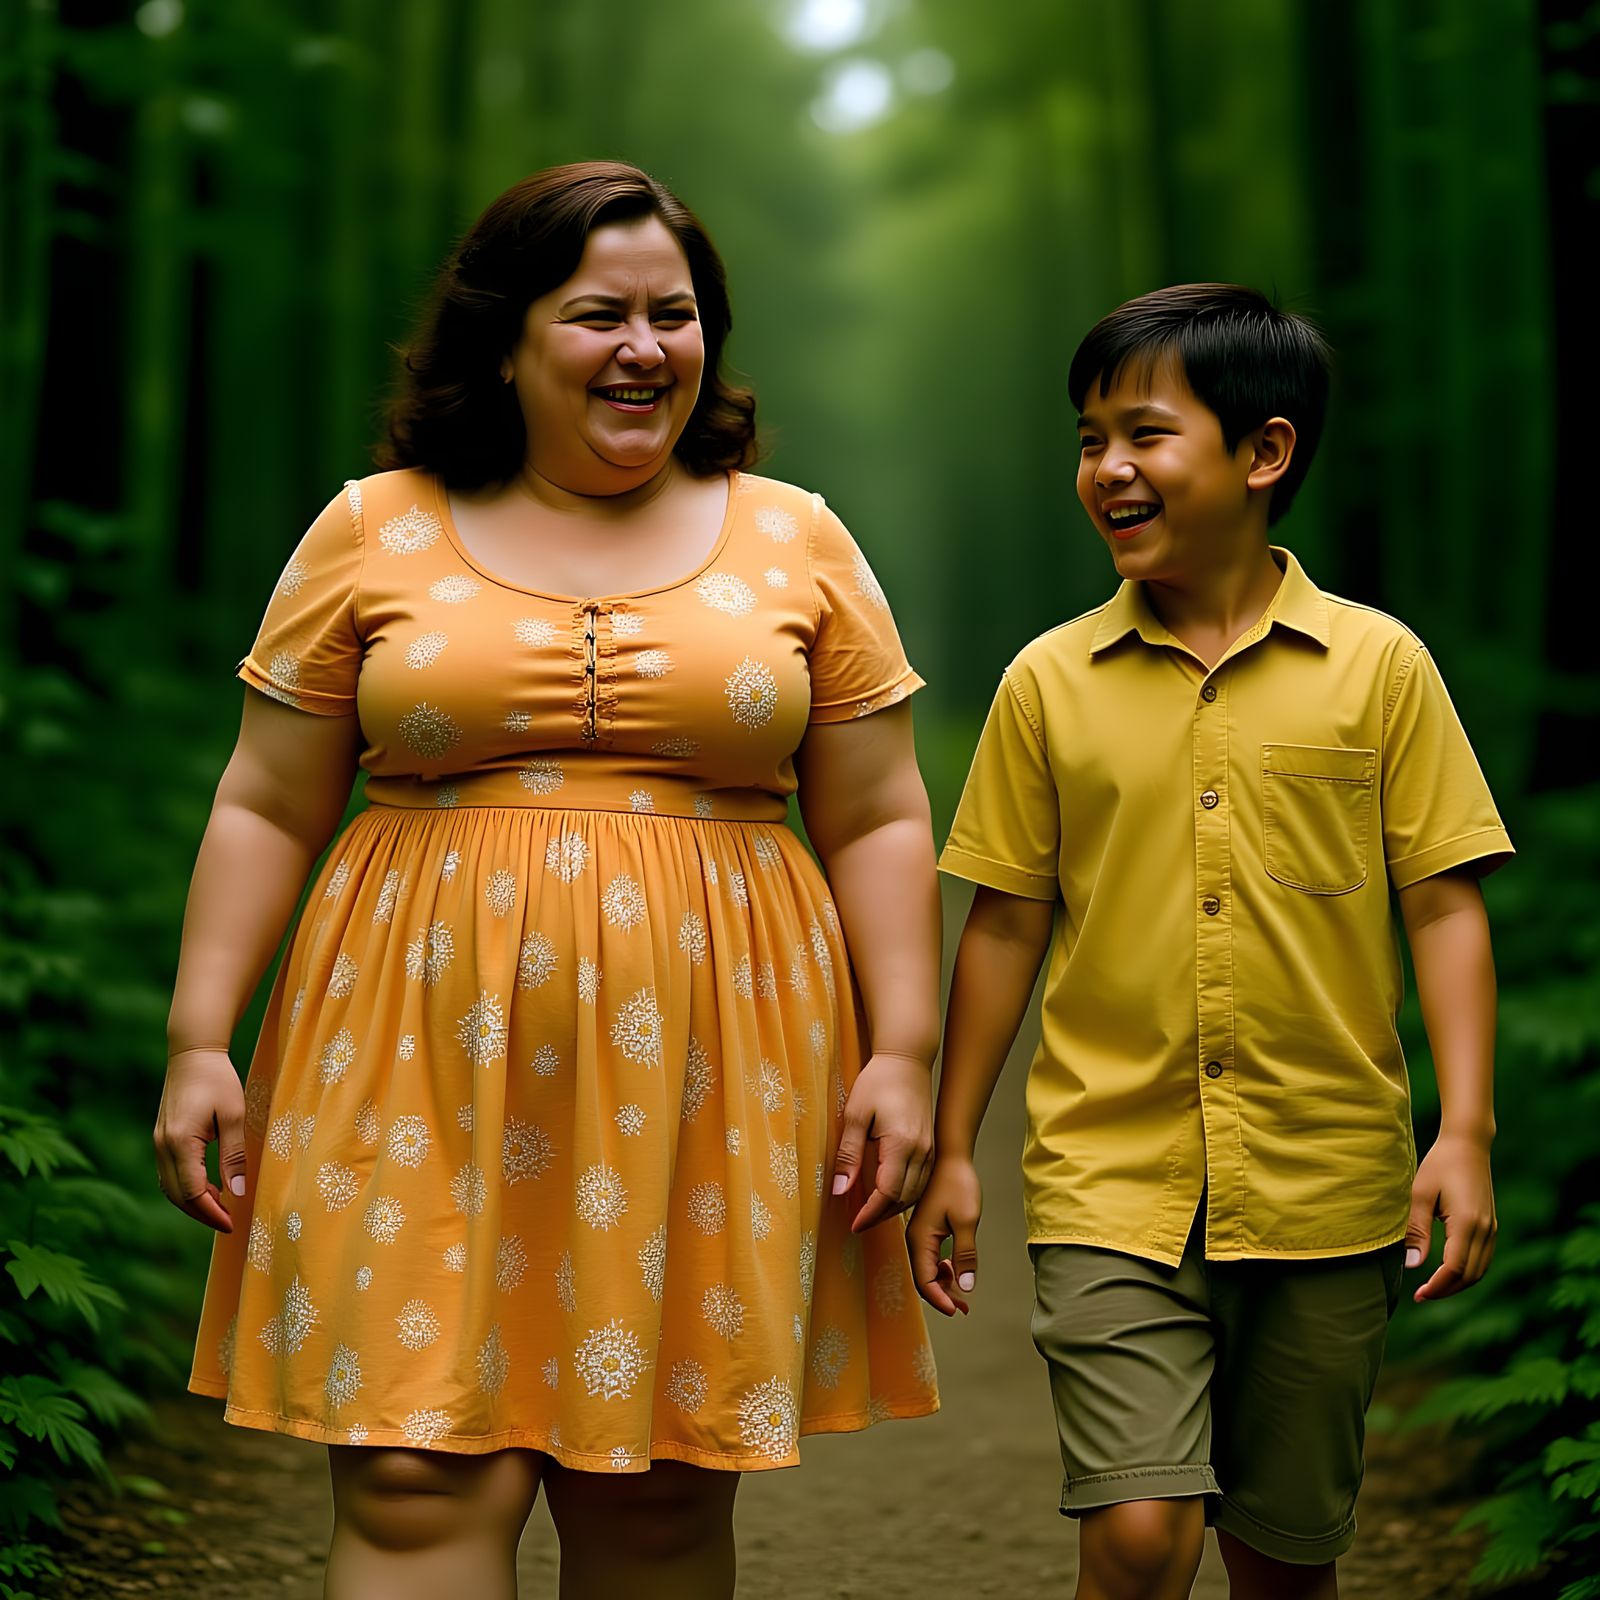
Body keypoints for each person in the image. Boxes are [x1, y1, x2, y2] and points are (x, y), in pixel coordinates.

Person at [154, 161, 941, 1600]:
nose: (644, 348)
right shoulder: (372, 527)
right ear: (505, 340)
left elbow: (881, 813)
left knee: (658, 1490)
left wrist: (905, 1048)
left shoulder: (798, 536)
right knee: (411, 1469)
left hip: (711, 1065)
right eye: (598, 316)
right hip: (406, 1049)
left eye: (674, 315)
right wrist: (201, 1035)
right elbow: (267, 798)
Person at [908, 284, 1511, 1600]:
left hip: (1326, 1185)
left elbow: (1442, 901)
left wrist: (1463, 1130)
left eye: (1144, 434)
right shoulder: (1048, 684)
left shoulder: (1379, 669)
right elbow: (1005, 924)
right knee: (1138, 1534)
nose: (1107, 469)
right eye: (1088, 441)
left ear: (1264, 452)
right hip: (1109, 1178)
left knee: (1283, 1561)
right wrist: (953, 1145)